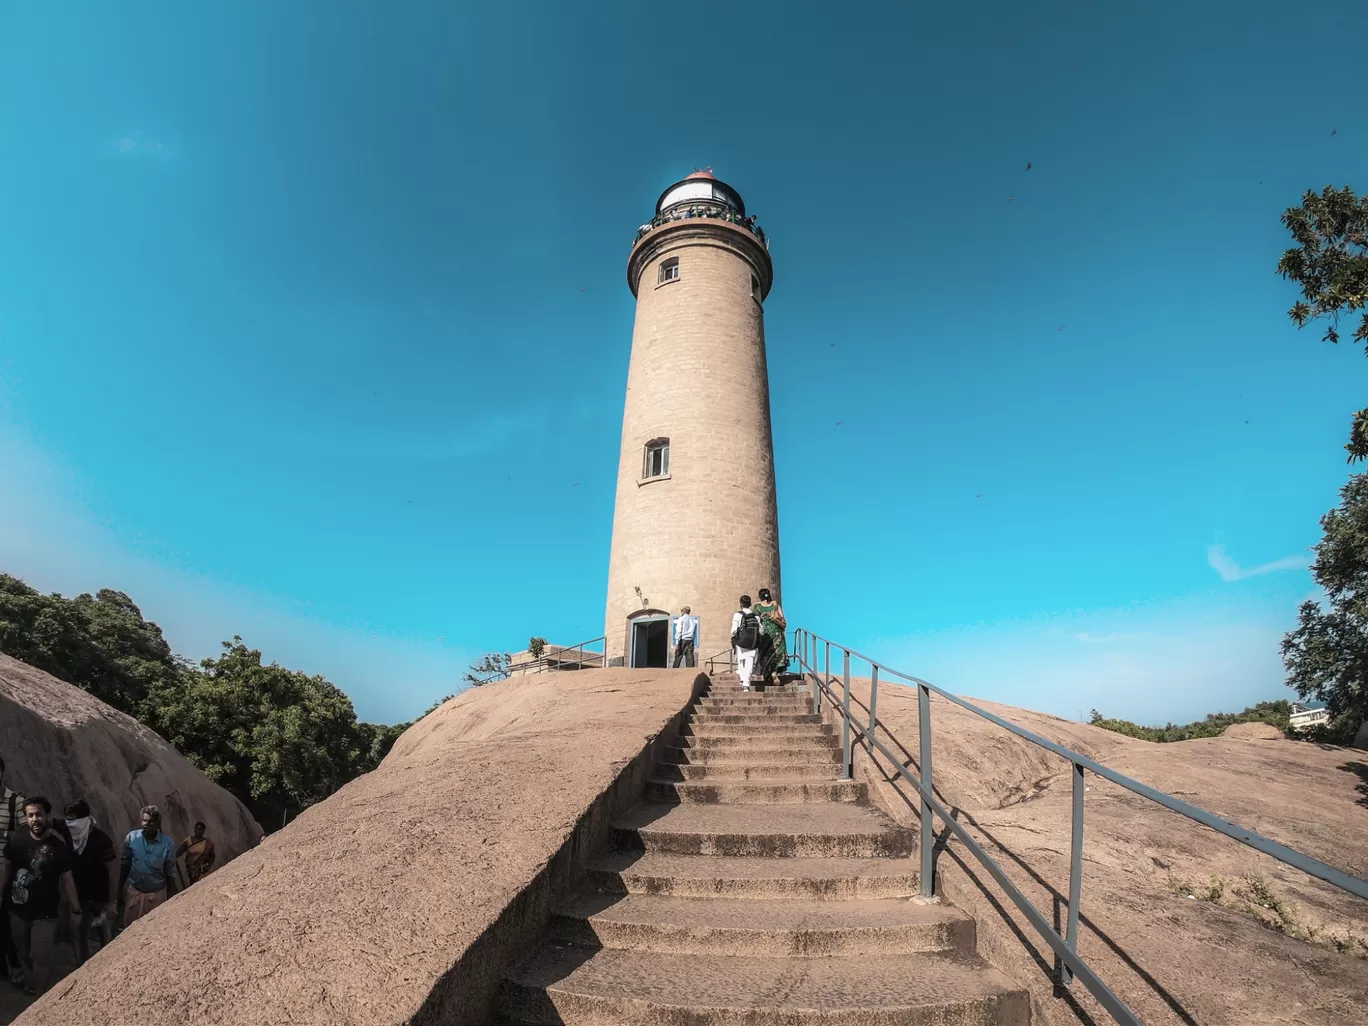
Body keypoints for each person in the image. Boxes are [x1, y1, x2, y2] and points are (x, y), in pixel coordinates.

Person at [3, 797, 80, 995]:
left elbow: (68, 880)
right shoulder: (16, 839)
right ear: (26, 817)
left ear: (47, 816)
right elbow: (6, 868)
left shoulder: (59, 847)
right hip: (18, 910)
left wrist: (76, 909)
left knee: (40, 956)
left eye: (38, 814)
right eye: (30, 815)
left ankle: (39, 996)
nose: (35, 819)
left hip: (45, 914)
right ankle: (38, 982)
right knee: (22, 951)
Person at [61, 800, 117, 964]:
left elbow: (112, 873)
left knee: (107, 939)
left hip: (101, 898)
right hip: (79, 899)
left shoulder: (102, 840)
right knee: (79, 939)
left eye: (75, 821)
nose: (71, 826)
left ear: (86, 819)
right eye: (68, 821)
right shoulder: (69, 840)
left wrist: (112, 901)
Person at [119, 806, 177, 927]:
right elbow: (125, 864)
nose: (147, 824)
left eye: (151, 821)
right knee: (130, 930)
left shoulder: (167, 843)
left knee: (153, 929)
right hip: (135, 893)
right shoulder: (132, 838)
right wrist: (119, 889)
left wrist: (171, 898)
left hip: (156, 896)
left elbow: (170, 871)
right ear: (141, 821)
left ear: (157, 824)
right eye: (145, 821)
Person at [0, 757, 27, 987]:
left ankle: (16, 965)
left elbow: (27, 835)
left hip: (7, 870)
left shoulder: (16, 801)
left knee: (5, 920)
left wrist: (4, 835)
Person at [753, 587, 788, 683]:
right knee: (777, 653)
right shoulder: (775, 605)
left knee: (764, 653)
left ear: (760, 596)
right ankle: (774, 672)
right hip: (777, 632)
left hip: (765, 634)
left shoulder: (757, 607)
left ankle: (766, 673)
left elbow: (754, 621)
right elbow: (783, 620)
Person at [731, 595, 763, 691]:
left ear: (741, 603)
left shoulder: (738, 615)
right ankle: (746, 683)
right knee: (749, 662)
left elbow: (734, 630)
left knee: (741, 661)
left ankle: (742, 679)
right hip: (753, 642)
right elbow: (761, 630)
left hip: (741, 641)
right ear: (750, 604)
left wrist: (733, 636)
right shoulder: (756, 616)